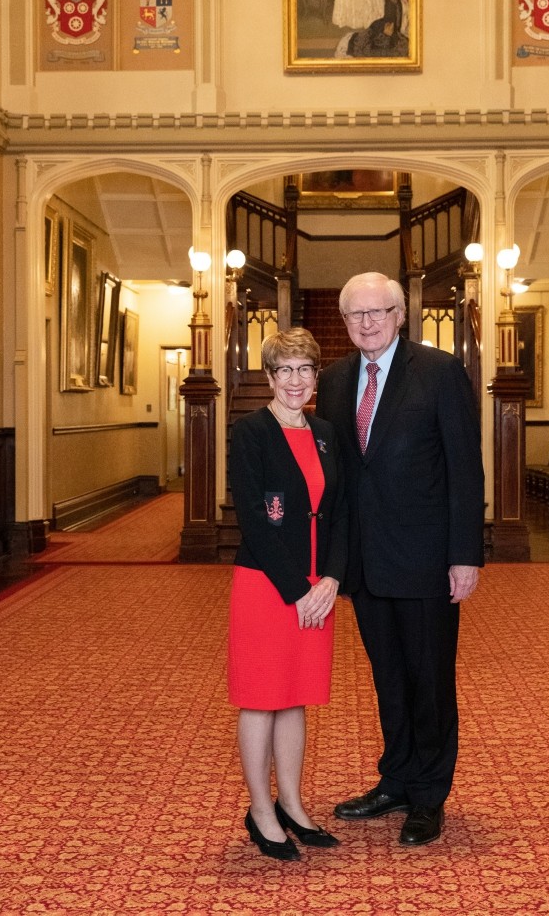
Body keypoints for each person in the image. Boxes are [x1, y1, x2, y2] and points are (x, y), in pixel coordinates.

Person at [316, 273, 484, 847]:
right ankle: (396, 779)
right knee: (387, 678)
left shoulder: (439, 373)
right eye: (355, 315)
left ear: (400, 314)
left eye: (378, 311)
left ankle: (429, 796)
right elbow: (338, 476)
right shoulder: (335, 381)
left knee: (429, 680)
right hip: (365, 562)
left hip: (426, 560)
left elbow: (466, 469)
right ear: (344, 323)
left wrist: (465, 555)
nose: (367, 322)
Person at [227, 327, 347, 861]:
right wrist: (297, 589)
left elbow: (342, 512)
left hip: (317, 586)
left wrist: (331, 580)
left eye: (305, 369)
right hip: (268, 584)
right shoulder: (250, 431)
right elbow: (254, 518)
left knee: (295, 695)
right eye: (285, 370)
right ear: (270, 377)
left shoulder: (325, 431)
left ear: (316, 377)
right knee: (261, 697)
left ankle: (293, 804)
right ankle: (260, 811)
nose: (295, 380)